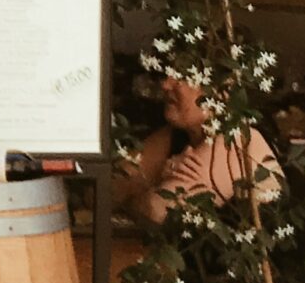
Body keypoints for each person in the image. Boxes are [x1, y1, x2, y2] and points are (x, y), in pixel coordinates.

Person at [115, 74, 284, 227]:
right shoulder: (176, 135)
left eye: (181, 76)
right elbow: (103, 190)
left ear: (220, 89)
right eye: (166, 74)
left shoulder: (238, 137)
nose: (166, 85)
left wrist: (140, 196)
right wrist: (157, 185)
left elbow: (157, 210)